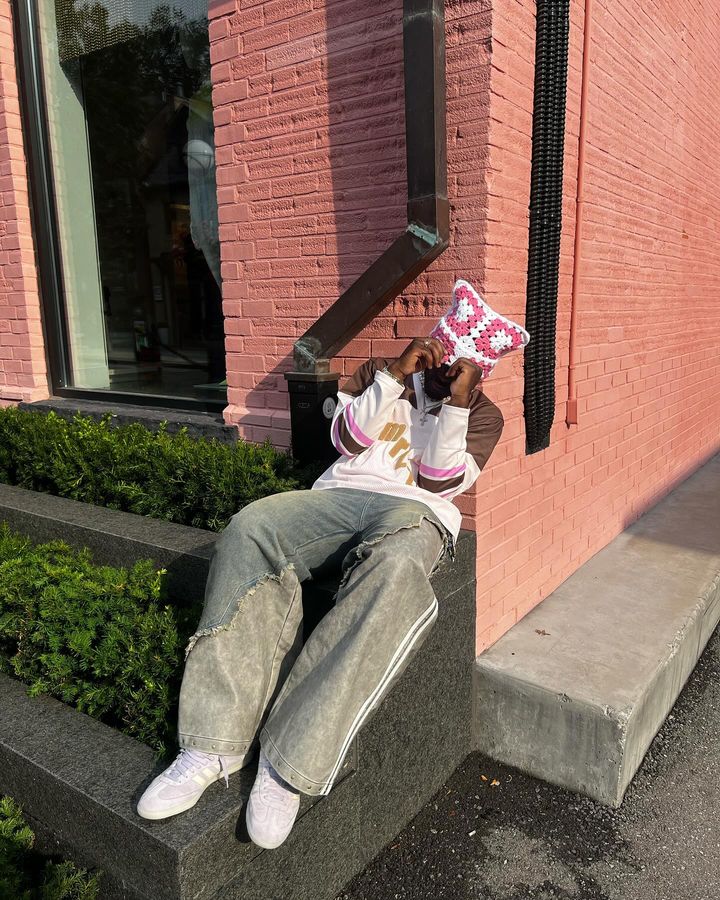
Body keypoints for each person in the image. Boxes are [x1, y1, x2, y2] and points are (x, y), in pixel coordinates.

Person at [136, 279, 529, 850]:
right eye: (447, 358)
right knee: (253, 525)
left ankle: (289, 764)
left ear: (480, 370)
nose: (447, 373)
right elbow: (344, 440)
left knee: (396, 573)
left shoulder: (483, 417)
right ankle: (210, 744)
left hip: (414, 515)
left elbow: (438, 482)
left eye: (464, 367)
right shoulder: (380, 372)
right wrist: (396, 379)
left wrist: (457, 406)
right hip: (337, 498)